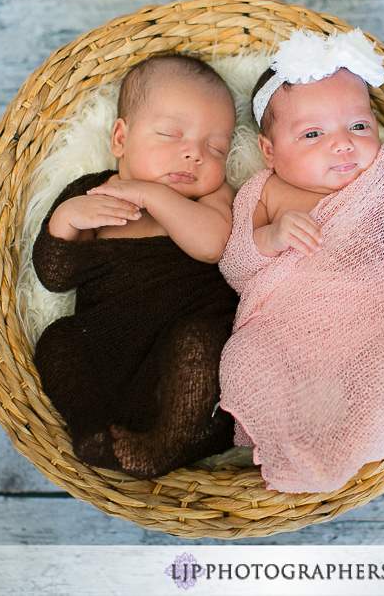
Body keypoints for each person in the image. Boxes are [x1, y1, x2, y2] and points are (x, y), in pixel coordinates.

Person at [217, 29, 384, 493]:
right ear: (269, 151)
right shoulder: (262, 192)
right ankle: (285, 446)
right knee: (247, 358)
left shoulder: (382, 179)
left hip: (369, 320)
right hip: (284, 325)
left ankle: (356, 444)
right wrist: (270, 237)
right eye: (312, 134)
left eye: (359, 127)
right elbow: (234, 266)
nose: (342, 144)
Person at [31, 54, 238, 478]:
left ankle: (163, 449)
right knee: (57, 342)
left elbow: (214, 245)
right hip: (108, 345)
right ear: (120, 139)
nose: (193, 154)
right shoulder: (93, 194)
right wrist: (65, 220)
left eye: (215, 147)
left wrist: (150, 195)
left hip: (186, 351)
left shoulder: (211, 198)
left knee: (198, 345)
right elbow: (55, 277)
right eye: (170, 135)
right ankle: (95, 431)